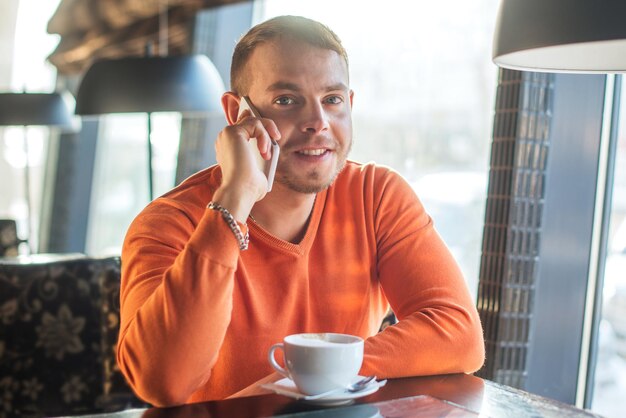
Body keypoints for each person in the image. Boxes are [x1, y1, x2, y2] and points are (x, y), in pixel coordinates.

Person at [117, 15, 485, 407]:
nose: (317, 122)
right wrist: (234, 199)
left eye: (332, 100)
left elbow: (459, 335)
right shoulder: (167, 223)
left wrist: (303, 376)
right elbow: (162, 382)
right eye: (286, 101)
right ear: (236, 113)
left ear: (350, 105)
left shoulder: (376, 195)